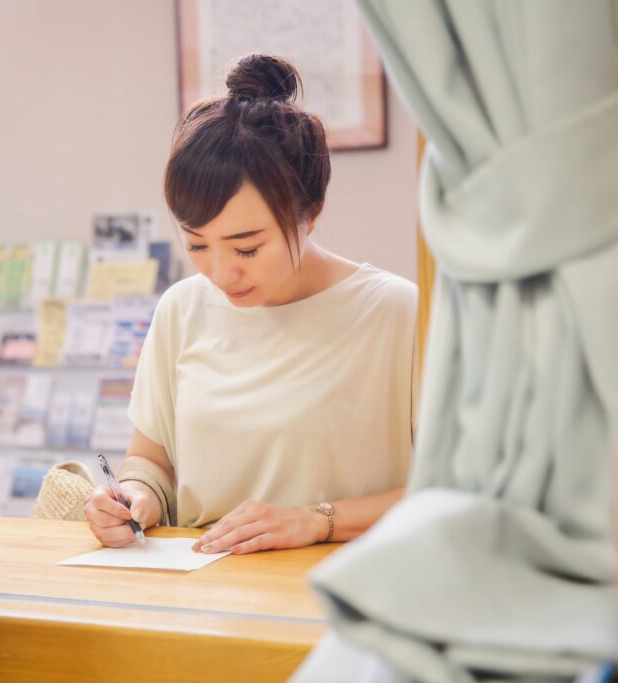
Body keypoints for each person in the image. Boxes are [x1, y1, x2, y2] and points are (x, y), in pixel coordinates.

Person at [84, 54, 417, 555]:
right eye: (197, 245)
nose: (220, 274)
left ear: (311, 211)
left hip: (343, 594)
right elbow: (151, 462)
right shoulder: (181, 309)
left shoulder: (396, 313)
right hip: (202, 594)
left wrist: (317, 521)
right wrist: (134, 497)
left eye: (246, 248)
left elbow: (459, 487)